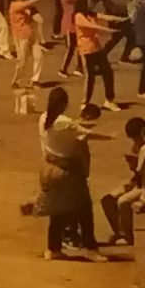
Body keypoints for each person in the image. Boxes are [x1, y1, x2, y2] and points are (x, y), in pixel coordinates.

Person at [35, 87, 110, 262]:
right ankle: (90, 247)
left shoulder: (43, 118)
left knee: (57, 209)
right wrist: (109, 136)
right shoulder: (64, 121)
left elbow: (71, 127)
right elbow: (85, 133)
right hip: (68, 169)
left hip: (50, 168)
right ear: (64, 104)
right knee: (84, 208)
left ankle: (53, 248)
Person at [102, 122, 145, 246]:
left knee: (123, 202)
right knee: (107, 200)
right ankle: (119, 231)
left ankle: (127, 235)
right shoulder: (138, 146)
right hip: (137, 182)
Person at [74, 0, 123, 113]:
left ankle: (109, 100)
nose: (92, 4)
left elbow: (105, 17)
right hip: (86, 50)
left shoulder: (91, 14)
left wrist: (119, 19)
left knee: (108, 73)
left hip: (97, 48)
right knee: (90, 77)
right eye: (89, 1)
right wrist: (109, 30)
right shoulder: (78, 16)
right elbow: (92, 26)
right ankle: (85, 102)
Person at [9, 0, 47, 88]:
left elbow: (39, 19)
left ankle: (35, 80)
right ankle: (16, 81)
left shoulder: (25, 7)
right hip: (21, 37)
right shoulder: (14, 6)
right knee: (22, 60)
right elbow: (29, 2)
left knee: (39, 56)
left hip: (31, 35)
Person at [57, 0, 85, 79]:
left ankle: (79, 68)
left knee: (79, 46)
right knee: (70, 48)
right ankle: (62, 69)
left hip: (74, 23)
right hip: (68, 24)